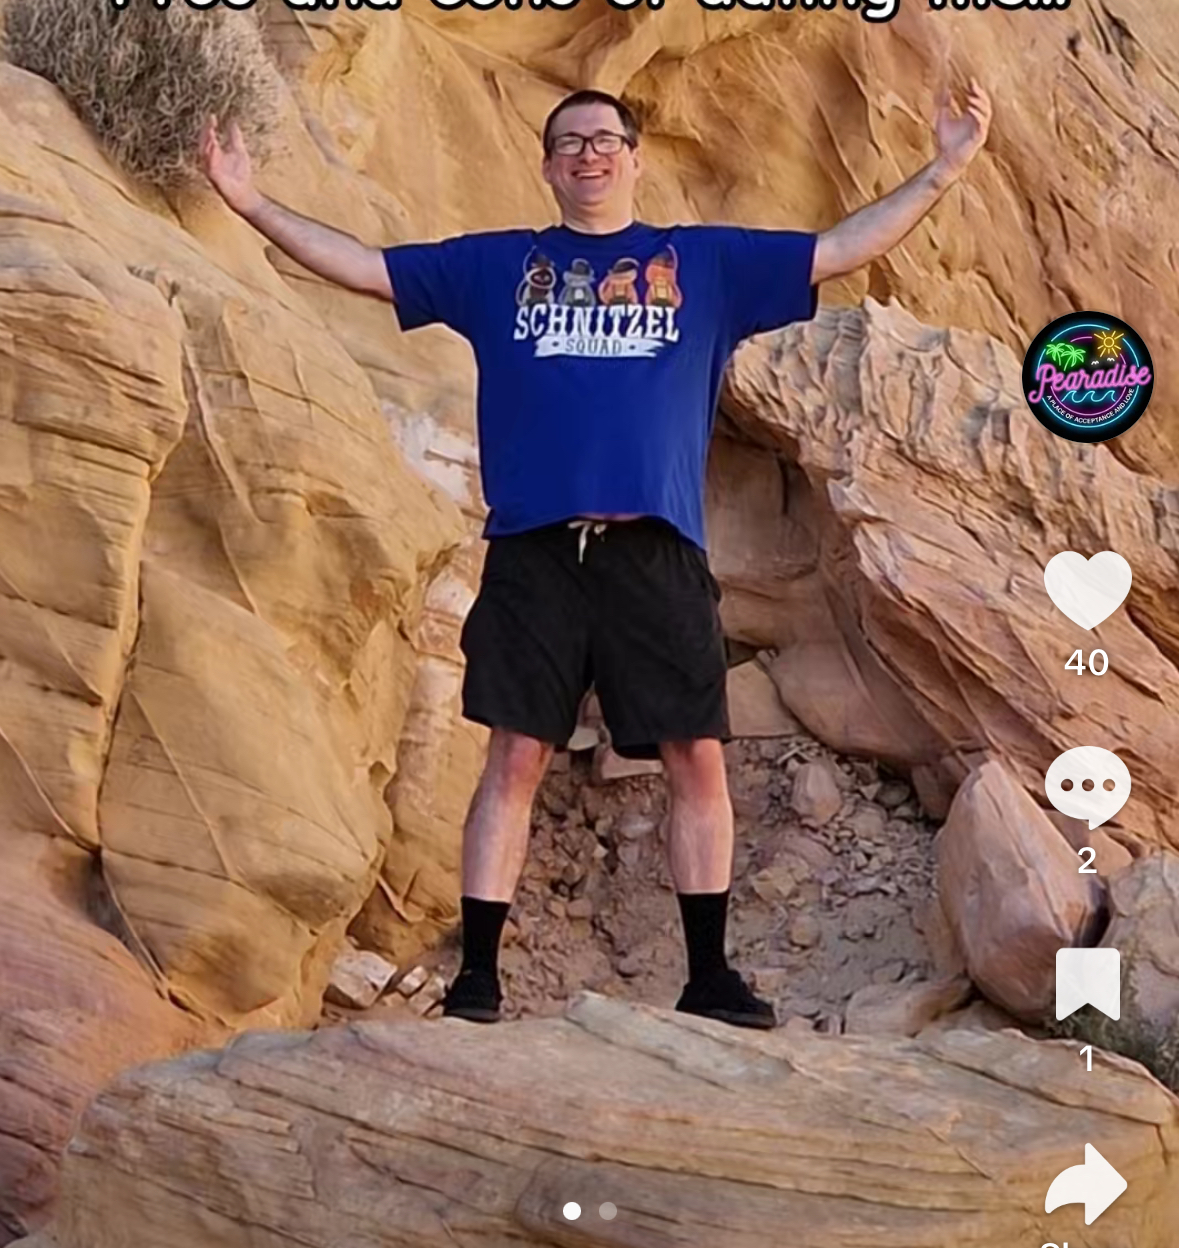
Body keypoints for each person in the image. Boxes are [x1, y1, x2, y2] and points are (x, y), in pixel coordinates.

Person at [200, 77, 992, 1029]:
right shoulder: (499, 268)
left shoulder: (704, 264)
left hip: (653, 551)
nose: (588, 154)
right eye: (569, 142)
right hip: (533, 551)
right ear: (546, 166)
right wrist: (248, 202)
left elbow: (838, 248)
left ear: (633, 159)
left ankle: (708, 976)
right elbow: (367, 268)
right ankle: (477, 979)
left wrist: (943, 170)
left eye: (605, 139)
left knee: (695, 756)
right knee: (514, 756)